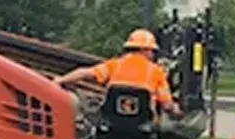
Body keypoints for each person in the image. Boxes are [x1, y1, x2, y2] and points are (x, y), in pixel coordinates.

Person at [53, 28, 181, 118]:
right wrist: (177, 112)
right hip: (143, 128)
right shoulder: (156, 72)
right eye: (152, 51)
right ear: (144, 50)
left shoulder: (114, 65)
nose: (153, 54)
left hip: (112, 124)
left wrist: (61, 80)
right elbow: (167, 105)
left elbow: (84, 73)